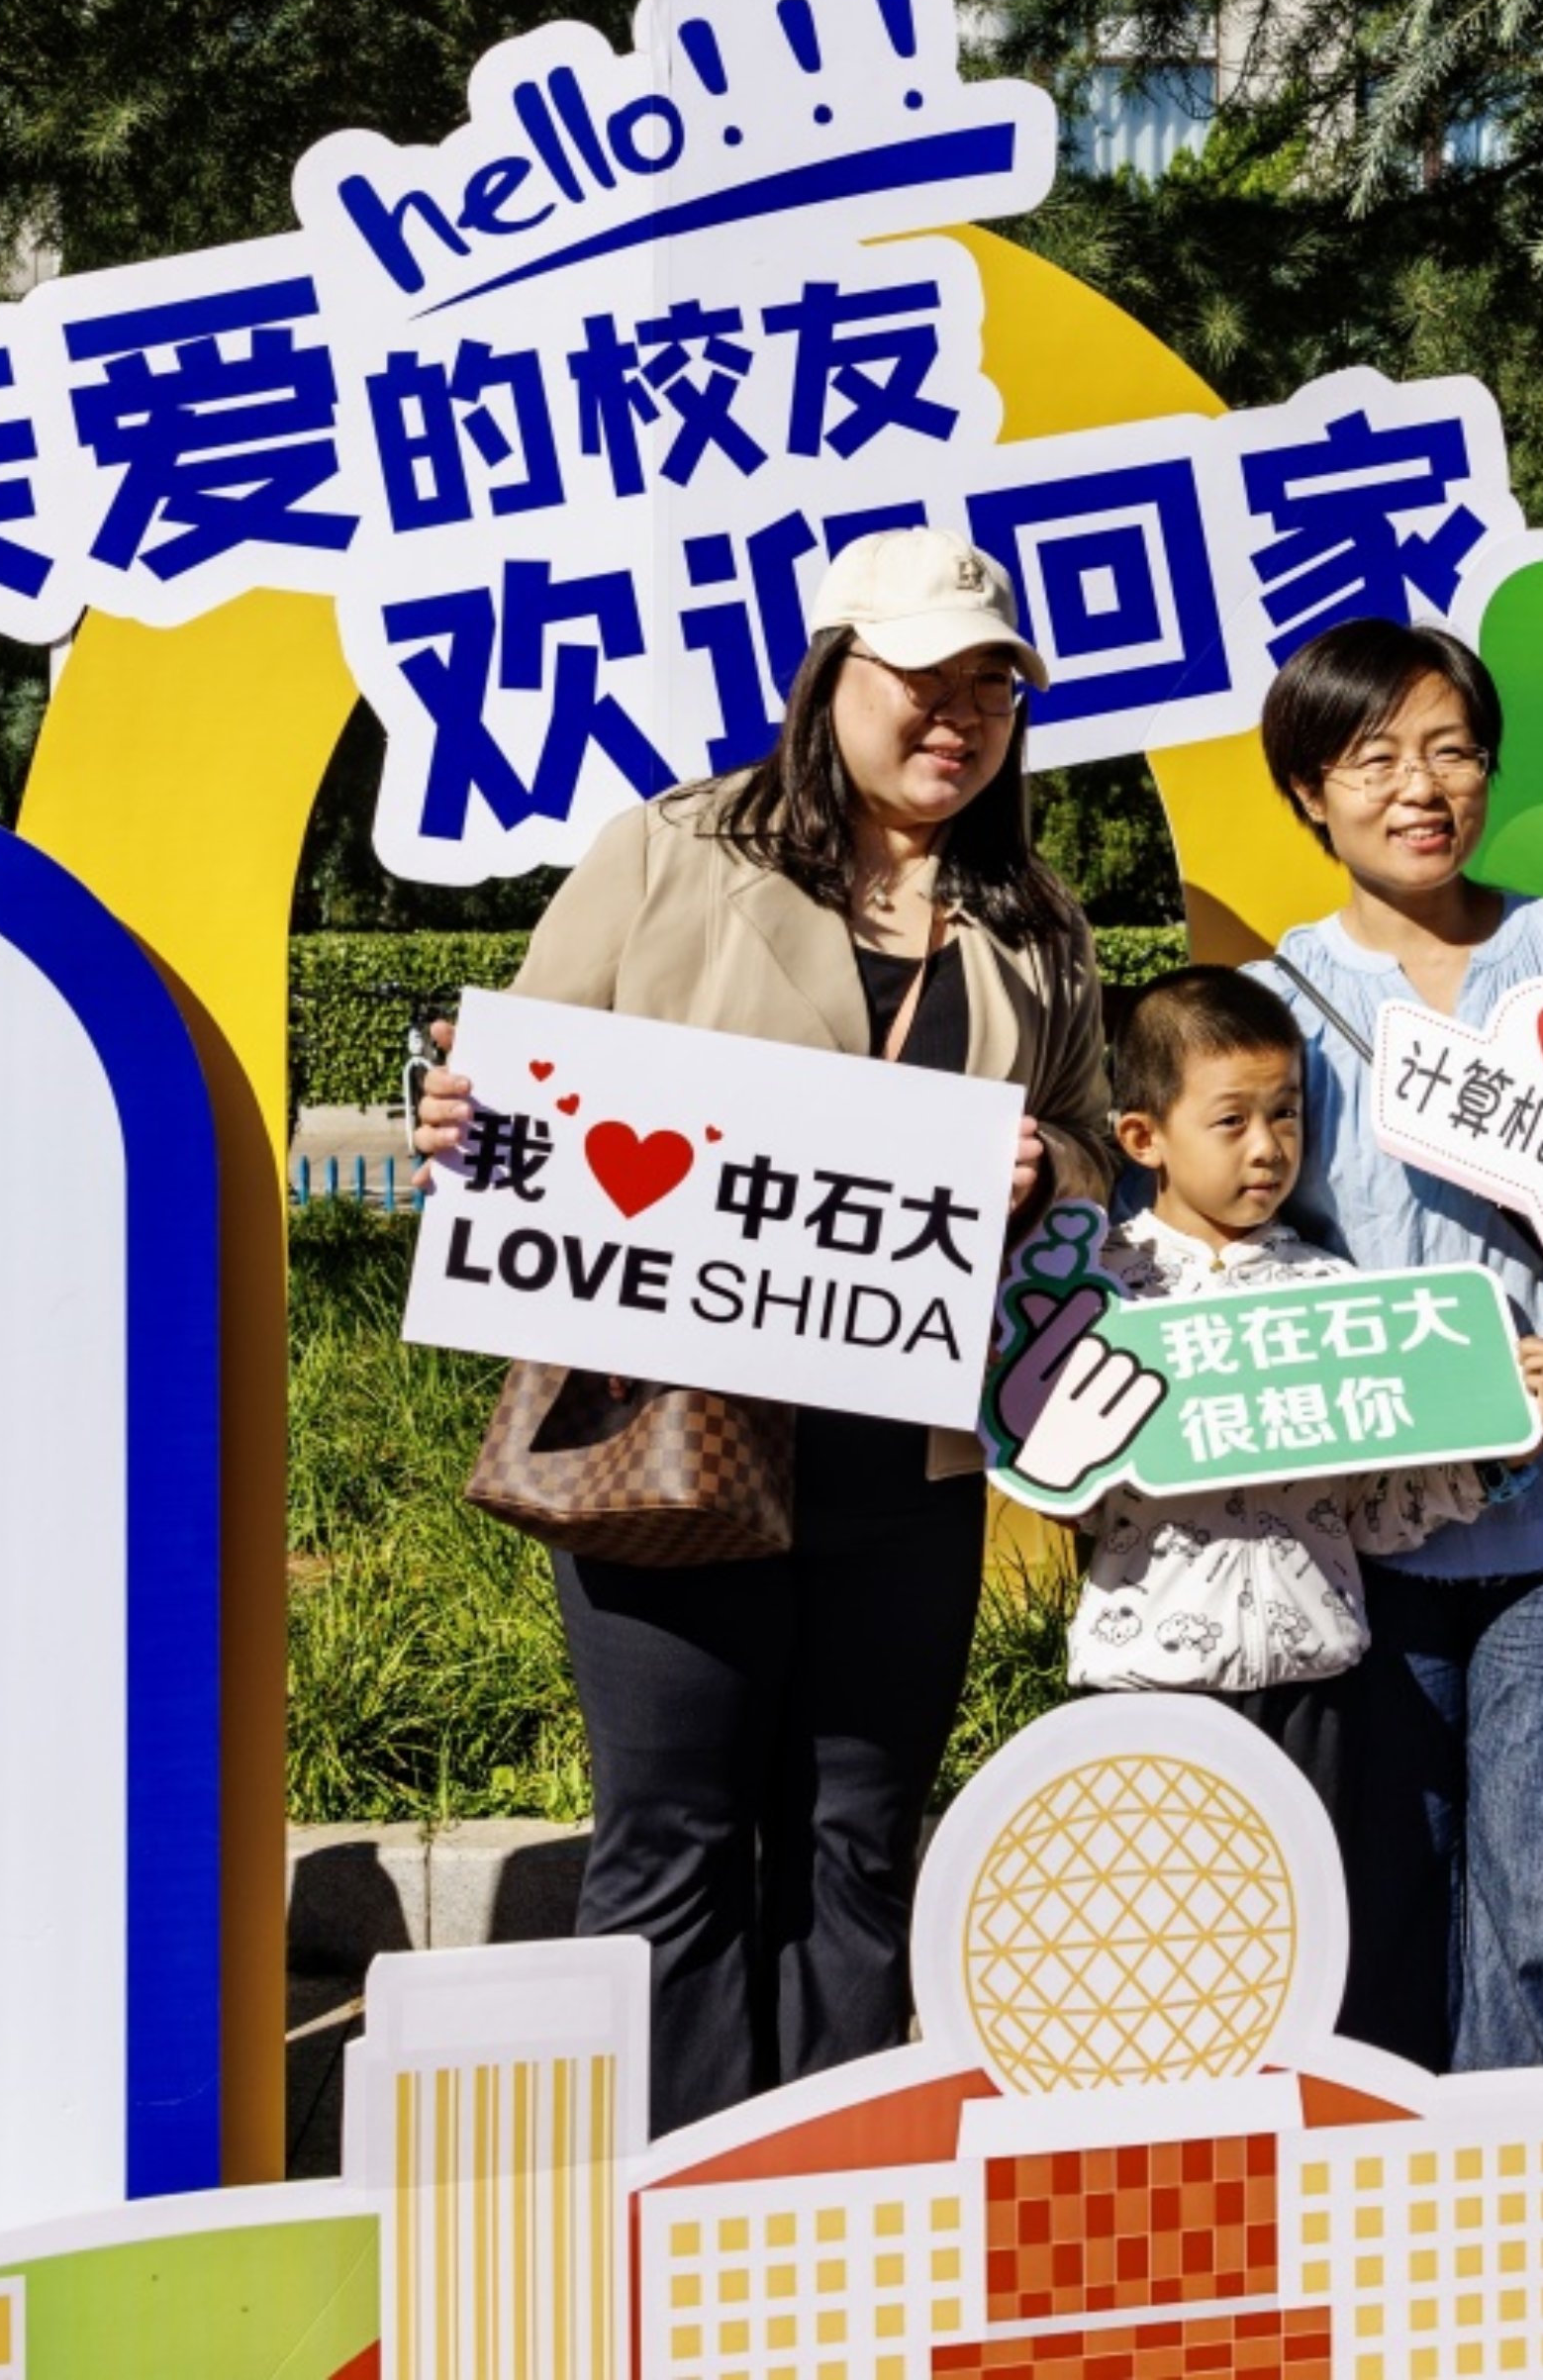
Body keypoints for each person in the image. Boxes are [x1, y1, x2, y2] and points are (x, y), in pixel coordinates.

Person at [411, 527, 1115, 2132]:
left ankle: (836, 2203)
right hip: (672, 1425)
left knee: (858, 1842)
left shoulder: (1035, 920)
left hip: (909, 1454)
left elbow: (1090, 1141)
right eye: (922, 677)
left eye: (991, 687)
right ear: (832, 677)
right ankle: (672, 2208)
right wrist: (458, 1116)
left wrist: (1045, 1170)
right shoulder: (670, 853)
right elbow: (517, 1096)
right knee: (670, 1841)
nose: (957, 716)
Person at [1246, 617, 1543, 2075]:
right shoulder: (1279, 1001)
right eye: (1374, 758)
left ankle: (1525, 2202)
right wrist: (1415, 1372)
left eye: (1451, 750)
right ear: (1309, 792)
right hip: (1366, 1530)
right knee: (1374, 1911)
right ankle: (1383, 2195)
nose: (1420, 788)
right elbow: (1247, 1251)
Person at [1046, 966, 1543, 1834]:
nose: (1267, 1146)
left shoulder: (1337, 1300)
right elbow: (1072, 1499)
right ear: (1143, 1137)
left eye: (1285, 1113)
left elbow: (1370, 1513)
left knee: (1308, 1915)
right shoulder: (1100, 1297)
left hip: (1318, 1690)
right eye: (1232, 1120)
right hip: (1143, 1685)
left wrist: (1497, 1455)